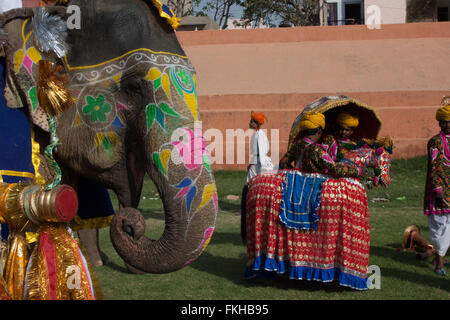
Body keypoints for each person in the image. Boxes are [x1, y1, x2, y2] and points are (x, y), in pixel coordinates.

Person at [279, 111, 362, 178]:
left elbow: (283, 163)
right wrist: (358, 171)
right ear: (319, 132)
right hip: (312, 189)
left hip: (296, 188)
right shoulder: (317, 150)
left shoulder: (297, 144)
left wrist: (296, 172)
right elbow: (335, 169)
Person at [424, 98, 450, 275]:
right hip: (438, 191)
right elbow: (435, 166)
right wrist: (438, 189)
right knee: (439, 226)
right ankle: (439, 262)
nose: (447, 125)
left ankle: (438, 256)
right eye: (444, 122)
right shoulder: (435, 142)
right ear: (439, 123)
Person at [246, 111, 274, 182]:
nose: (249, 123)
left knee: (250, 184)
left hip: (259, 164)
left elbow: (261, 152)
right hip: (257, 163)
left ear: (257, 124)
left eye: (251, 122)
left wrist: (263, 167)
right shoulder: (257, 134)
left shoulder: (259, 135)